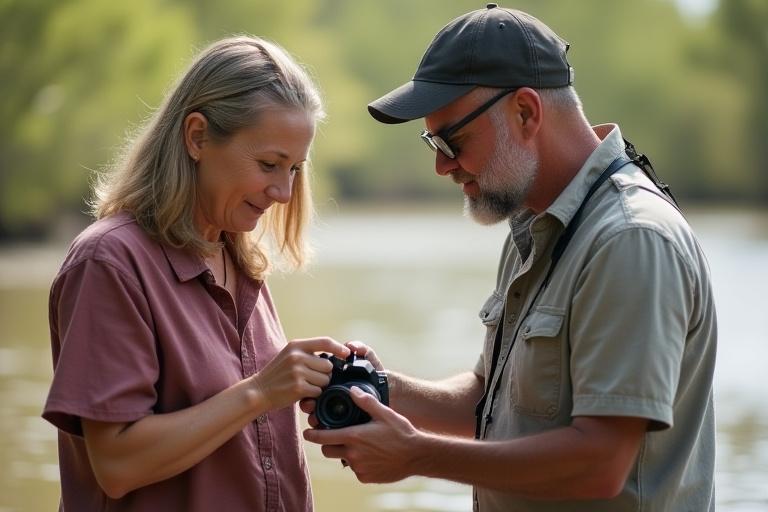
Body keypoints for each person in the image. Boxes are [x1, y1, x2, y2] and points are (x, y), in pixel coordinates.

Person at [303, 5, 717, 512]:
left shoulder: (630, 239)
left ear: (525, 112)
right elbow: (490, 403)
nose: (441, 166)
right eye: (432, 142)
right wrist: (376, 388)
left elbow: (601, 461)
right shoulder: (537, 224)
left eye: (452, 139)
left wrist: (416, 455)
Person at [42, 36, 351, 512]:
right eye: (269, 164)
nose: (284, 193)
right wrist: (260, 391)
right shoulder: (109, 262)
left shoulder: (238, 259)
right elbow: (117, 464)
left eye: (294, 169)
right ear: (197, 136)